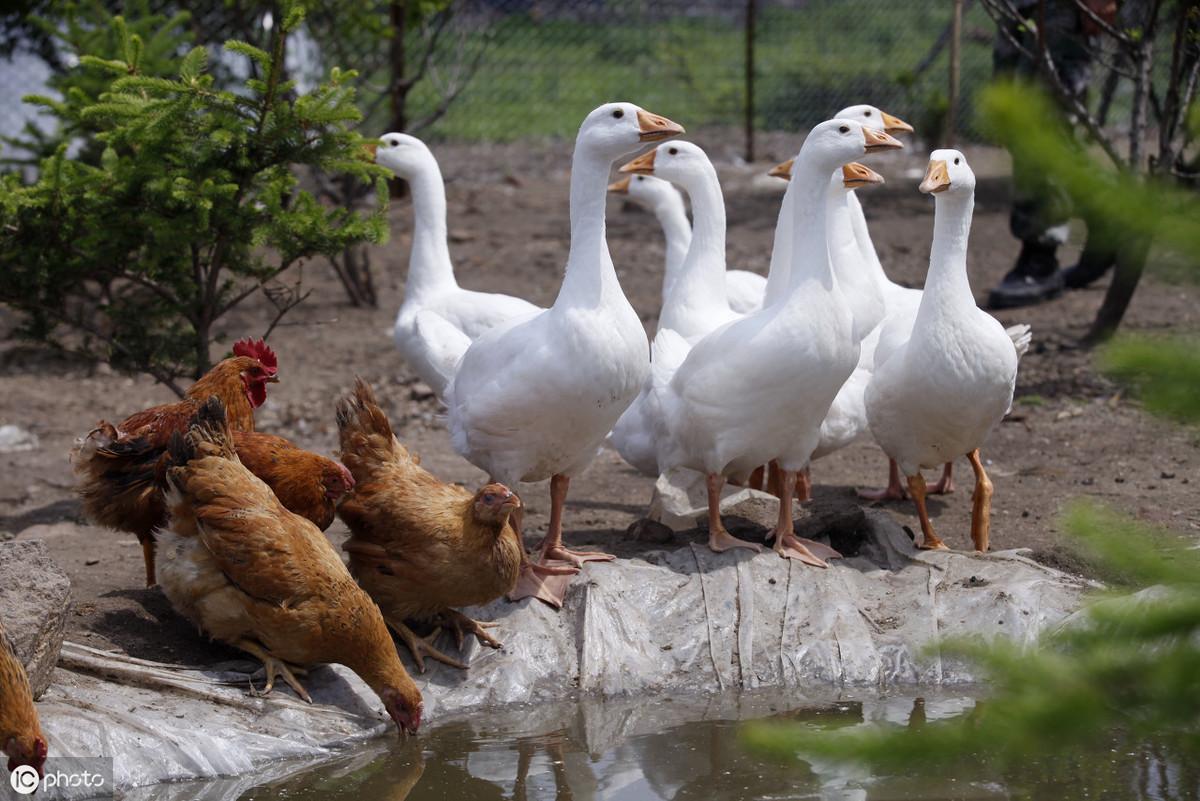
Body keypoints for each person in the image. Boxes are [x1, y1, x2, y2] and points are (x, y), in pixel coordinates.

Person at [987, 0, 1119, 310]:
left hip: (1061, 9)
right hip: (1015, 9)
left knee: (1042, 125)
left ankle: (1040, 257)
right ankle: (1109, 217)